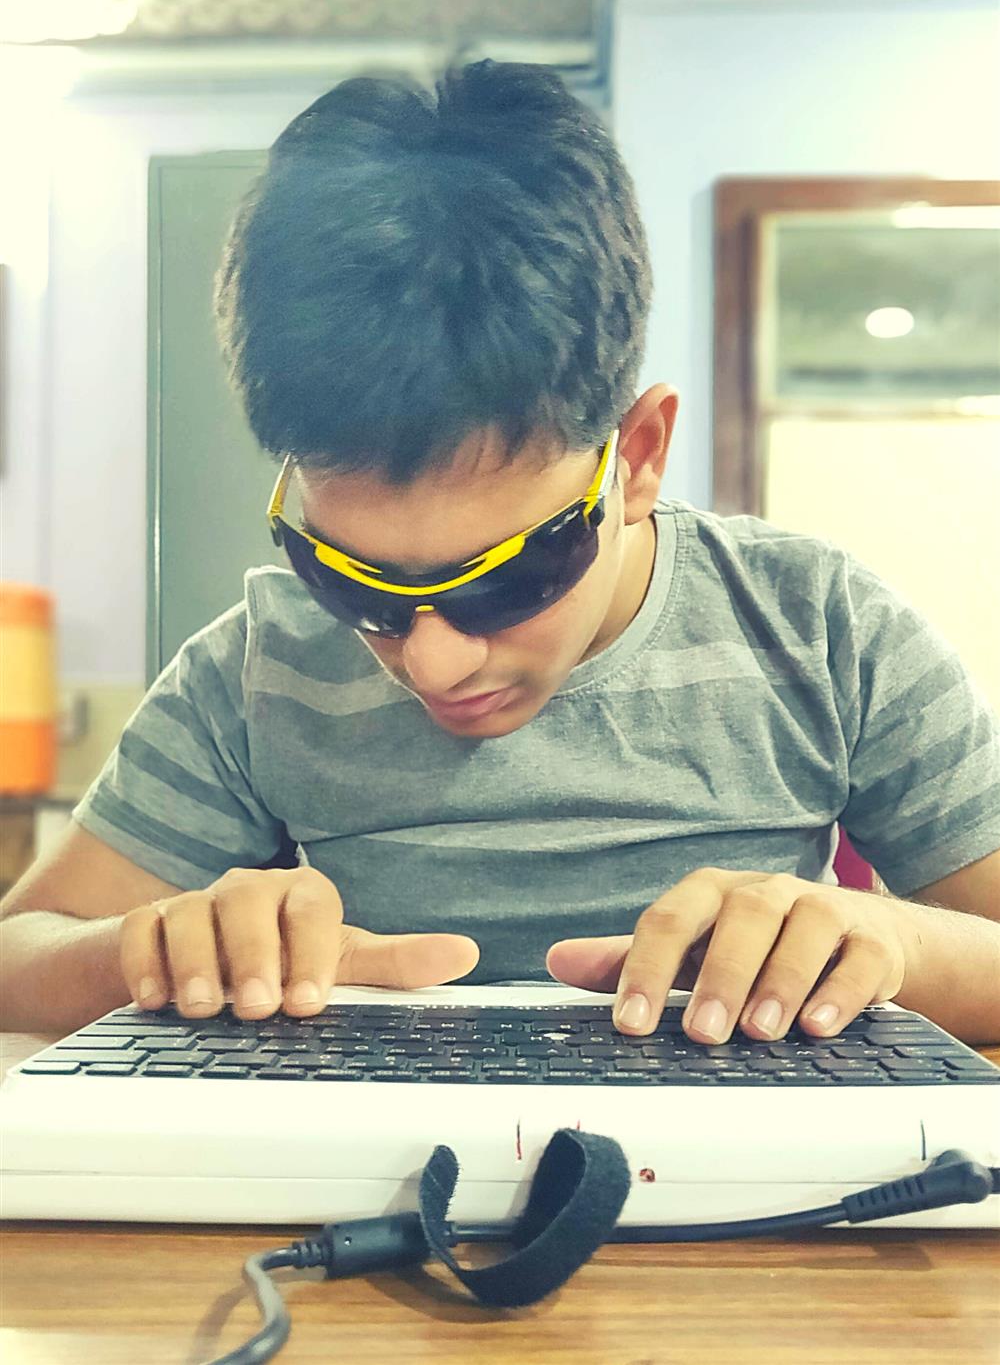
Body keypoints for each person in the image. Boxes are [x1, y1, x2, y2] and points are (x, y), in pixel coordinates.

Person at [2, 61, 998, 1047]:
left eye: (510, 578)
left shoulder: (818, 627)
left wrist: (889, 943)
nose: (430, 660)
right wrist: (152, 948)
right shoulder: (262, 670)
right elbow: (17, 955)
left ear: (637, 458)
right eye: (348, 578)